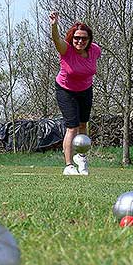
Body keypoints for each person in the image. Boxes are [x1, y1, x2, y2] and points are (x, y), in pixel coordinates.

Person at [49, 11, 101, 175]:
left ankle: (81, 157)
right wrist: (54, 25)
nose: (80, 41)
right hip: (65, 90)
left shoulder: (95, 50)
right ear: (72, 38)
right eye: (77, 38)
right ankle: (69, 166)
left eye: (84, 38)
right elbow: (56, 39)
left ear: (89, 40)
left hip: (86, 90)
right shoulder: (66, 49)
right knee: (72, 127)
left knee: (83, 125)